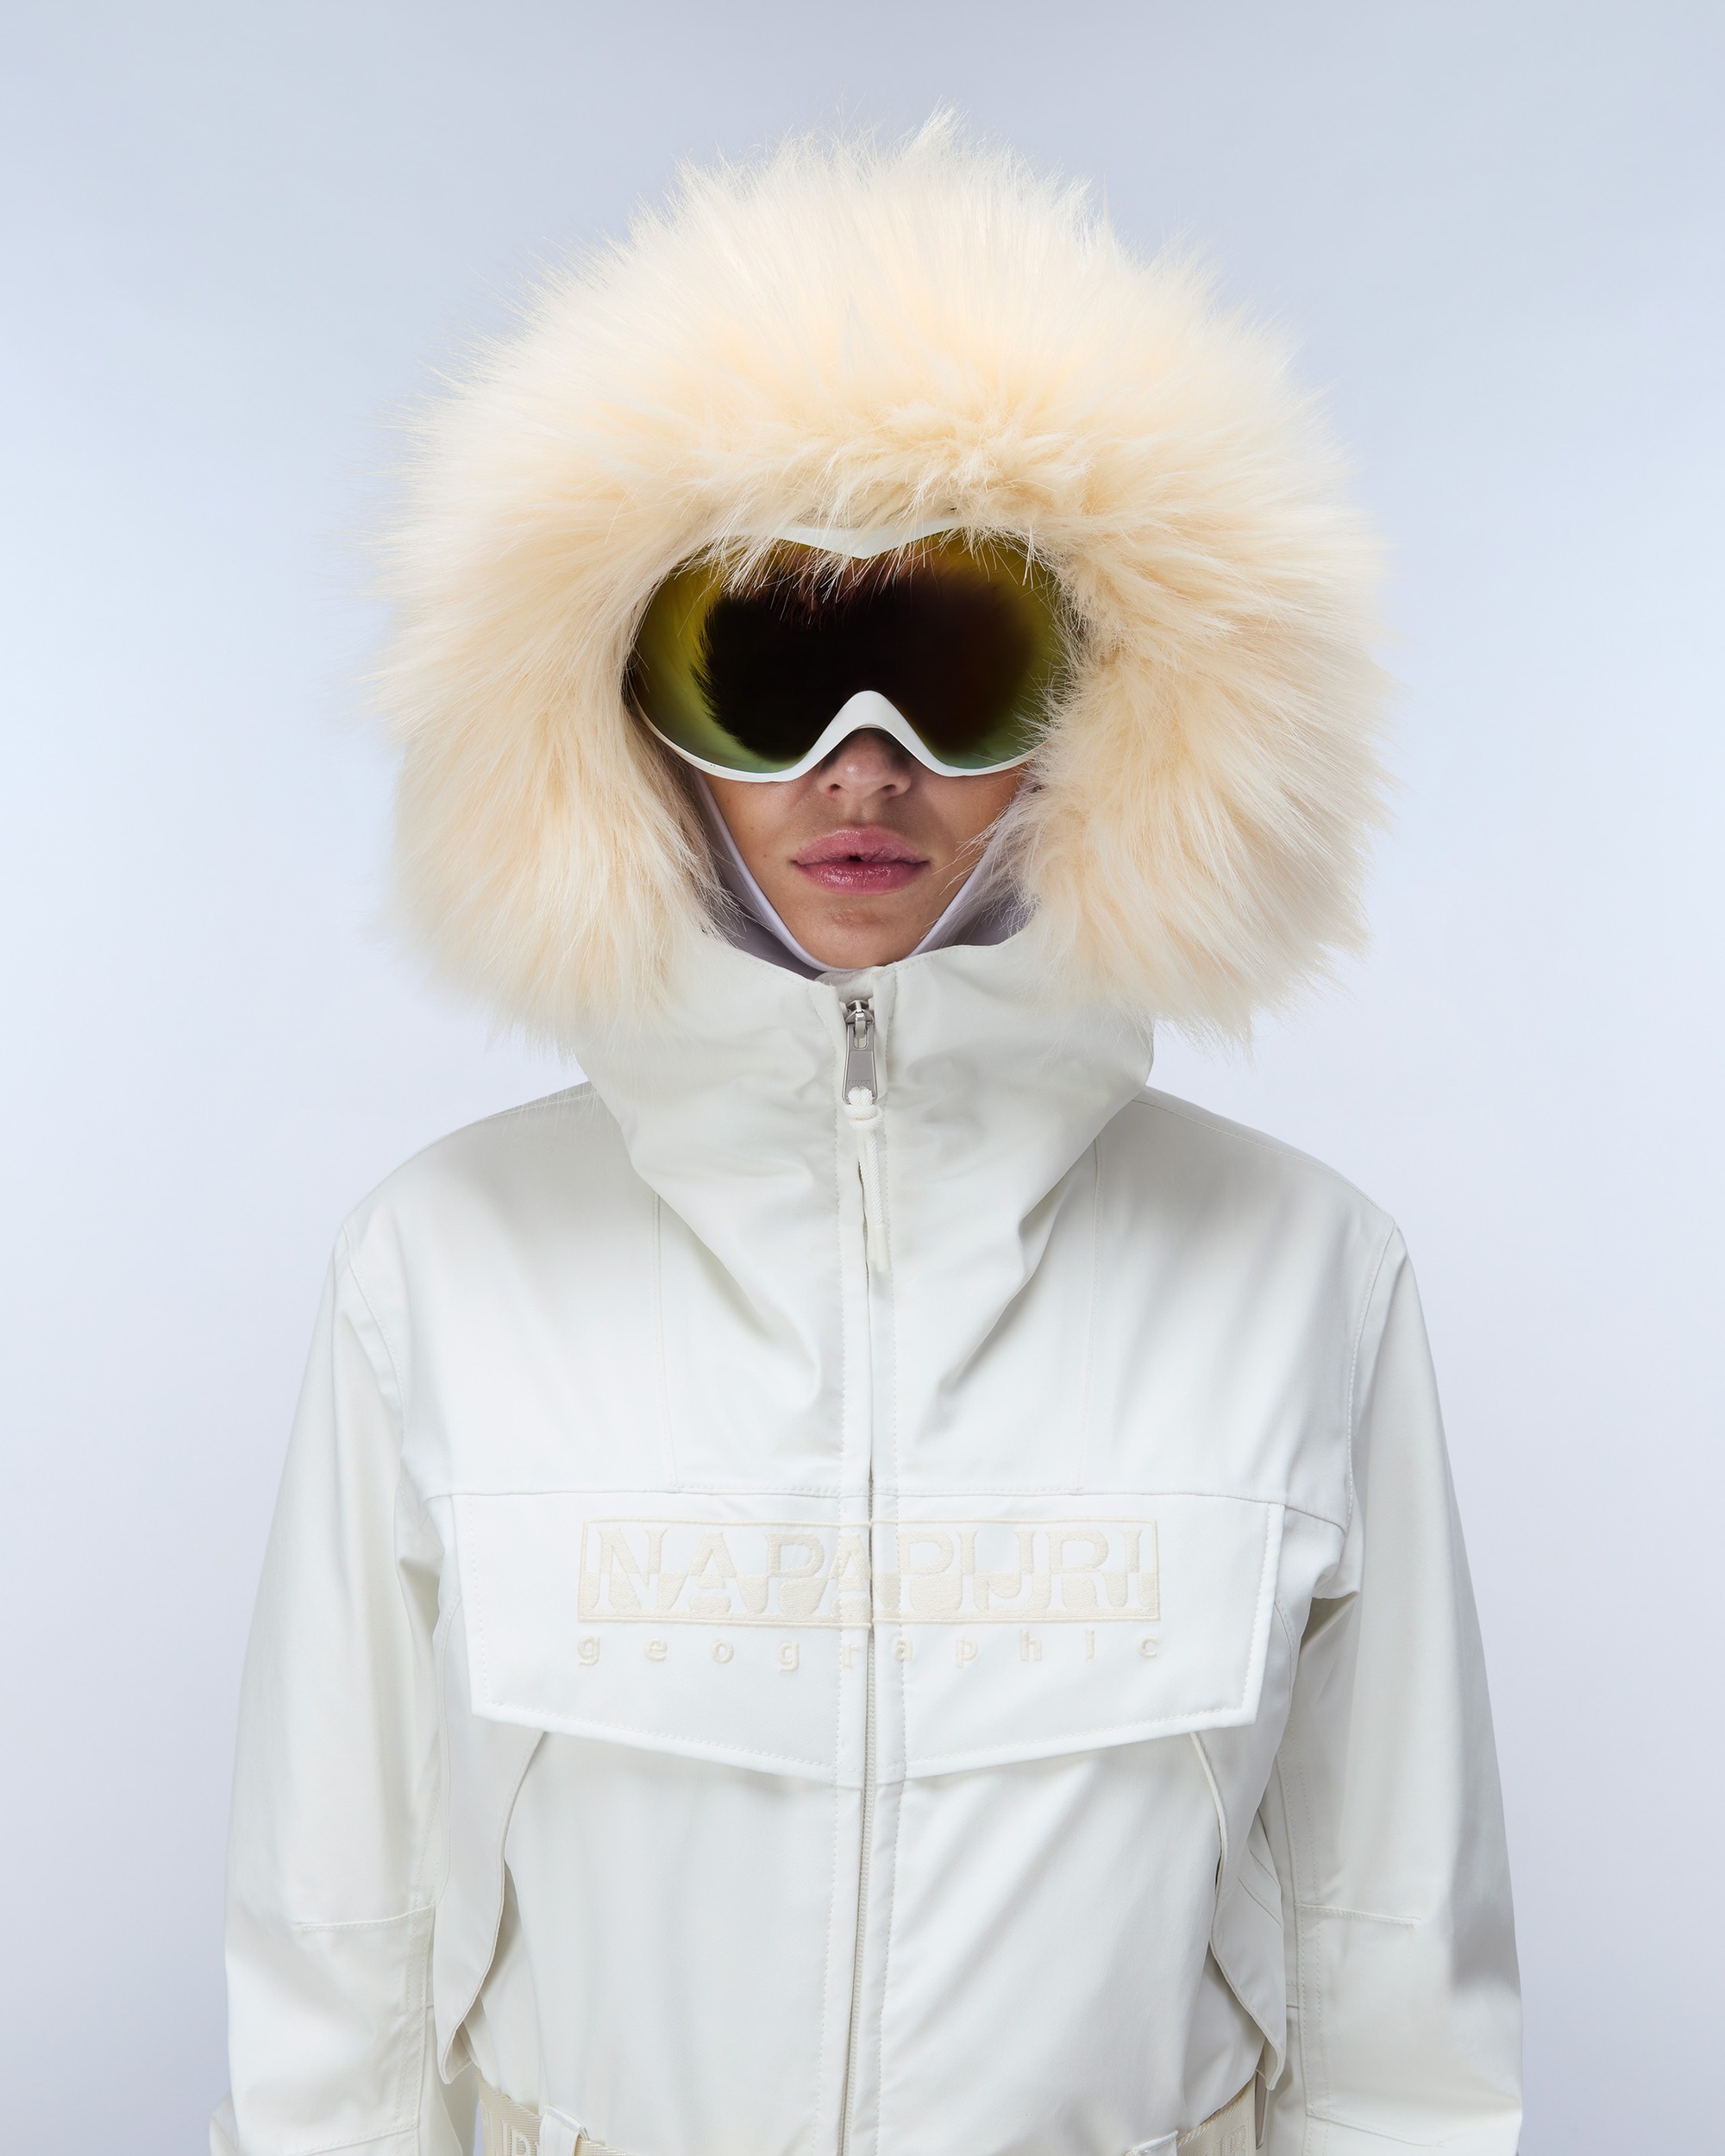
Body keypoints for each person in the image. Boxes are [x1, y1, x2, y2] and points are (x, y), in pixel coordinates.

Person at [212, 128, 1521, 2156]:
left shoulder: (1301, 1268)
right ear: (626, 721)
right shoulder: (446, 1257)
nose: (862, 767)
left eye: (957, 668)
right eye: (763, 669)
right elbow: (342, 1959)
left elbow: (1389, 1994)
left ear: (1107, 714)